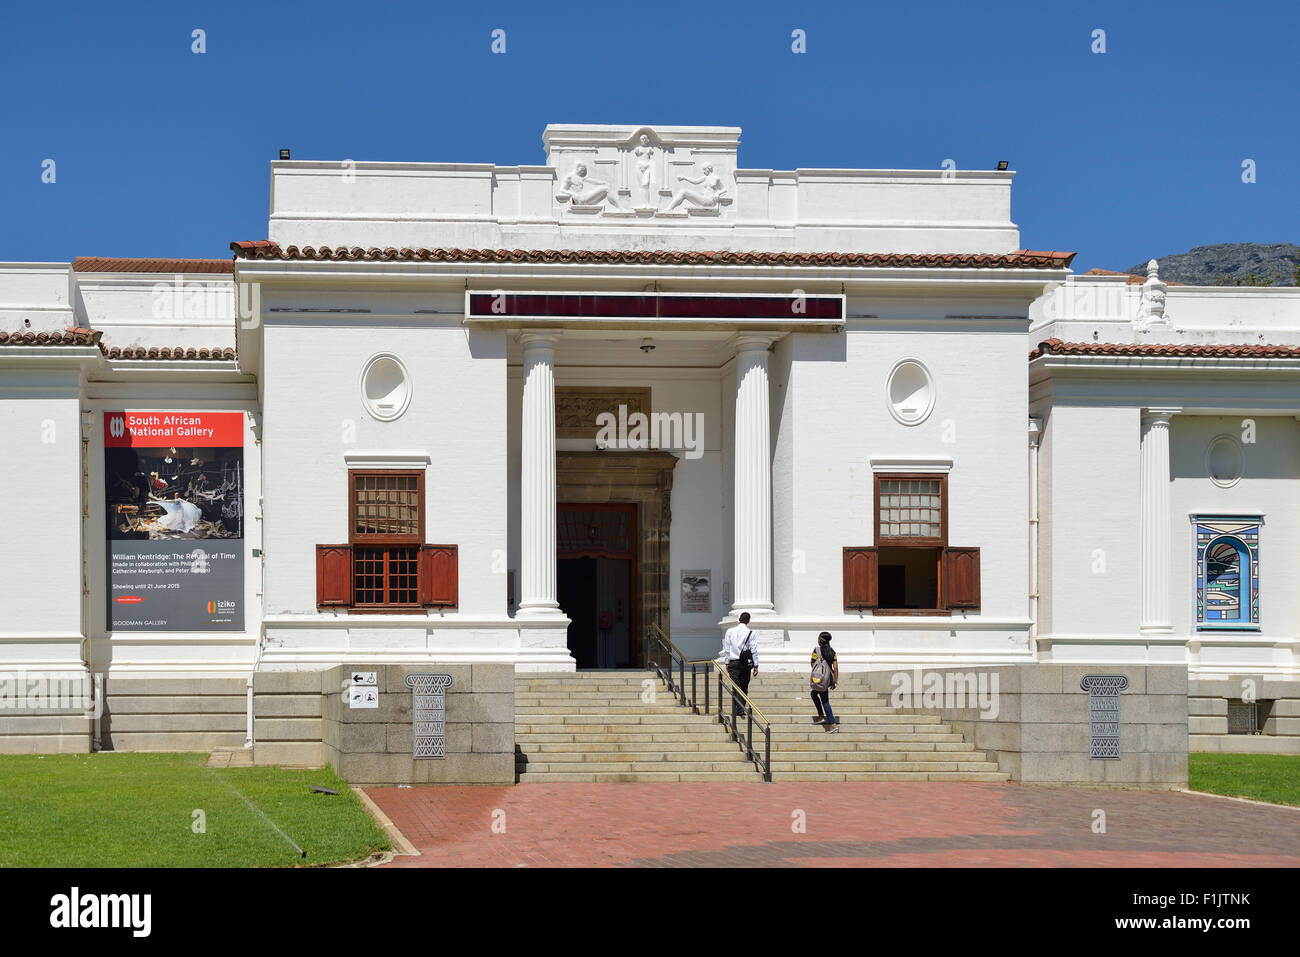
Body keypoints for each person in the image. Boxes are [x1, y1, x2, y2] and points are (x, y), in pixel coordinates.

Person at [721, 612, 758, 719]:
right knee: (744, 686)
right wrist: (756, 665)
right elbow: (754, 650)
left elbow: (727, 648)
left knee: (736, 686)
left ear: (739, 619)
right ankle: (740, 708)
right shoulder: (750, 633)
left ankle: (739, 708)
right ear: (748, 621)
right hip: (745, 663)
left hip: (733, 662)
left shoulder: (730, 631)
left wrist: (727, 662)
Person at [810, 631, 840, 733]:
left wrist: (818, 674)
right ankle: (821, 716)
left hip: (819, 679)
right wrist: (835, 681)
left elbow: (812, 664)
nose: (817, 640)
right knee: (814, 694)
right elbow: (835, 668)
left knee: (825, 701)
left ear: (821, 640)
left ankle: (832, 724)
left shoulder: (816, 650)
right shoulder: (832, 652)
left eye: (818, 638)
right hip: (828, 680)